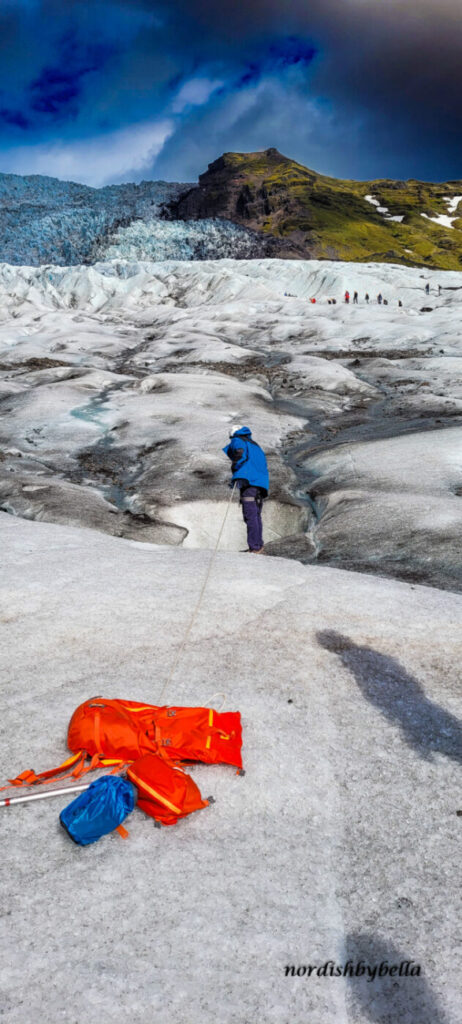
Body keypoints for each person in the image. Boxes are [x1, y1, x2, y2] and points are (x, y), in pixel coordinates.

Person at [223, 426, 269, 553]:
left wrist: (237, 469)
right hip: (260, 484)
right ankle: (258, 545)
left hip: (249, 482)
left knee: (250, 515)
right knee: (255, 515)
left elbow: (239, 453)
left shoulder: (238, 440)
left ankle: (255, 547)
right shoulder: (255, 445)